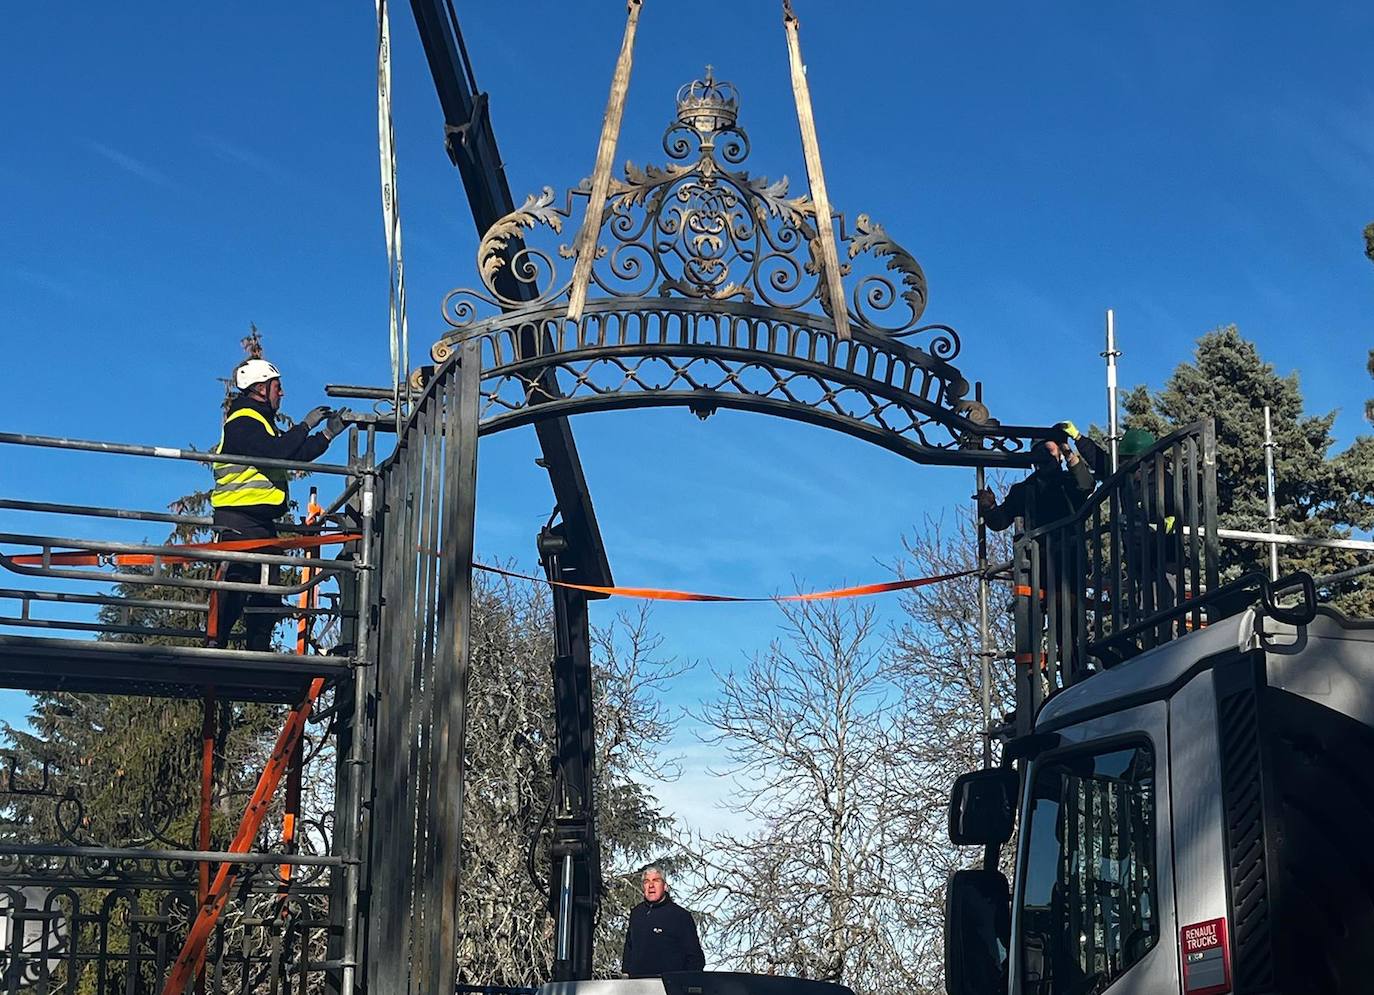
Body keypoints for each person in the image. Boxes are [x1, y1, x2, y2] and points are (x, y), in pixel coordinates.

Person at [208, 358, 350, 651]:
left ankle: (255, 652)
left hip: (256, 523)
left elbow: (292, 454)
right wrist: (304, 426)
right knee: (236, 588)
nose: (281, 393)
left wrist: (326, 435)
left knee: (268, 592)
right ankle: (215, 647)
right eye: (277, 386)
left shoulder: (260, 424)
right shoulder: (243, 421)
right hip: (239, 521)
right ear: (260, 388)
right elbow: (279, 452)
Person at [621, 865, 705, 978]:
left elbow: (695, 958)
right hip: (638, 986)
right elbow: (629, 950)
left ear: (665, 886)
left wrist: (684, 984)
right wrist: (625, 974)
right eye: (647, 882)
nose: (651, 886)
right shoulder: (636, 914)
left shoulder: (680, 916)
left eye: (656, 880)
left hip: (668, 986)